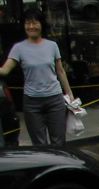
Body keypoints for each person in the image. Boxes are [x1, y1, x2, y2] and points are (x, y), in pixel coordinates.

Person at [0, 8, 74, 146]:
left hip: (55, 99)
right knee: (39, 144)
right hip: (32, 102)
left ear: (41, 24)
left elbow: (60, 71)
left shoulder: (52, 45)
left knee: (59, 142)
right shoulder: (18, 48)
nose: (31, 26)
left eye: (35, 23)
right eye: (28, 23)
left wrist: (70, 94)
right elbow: (4, 70)